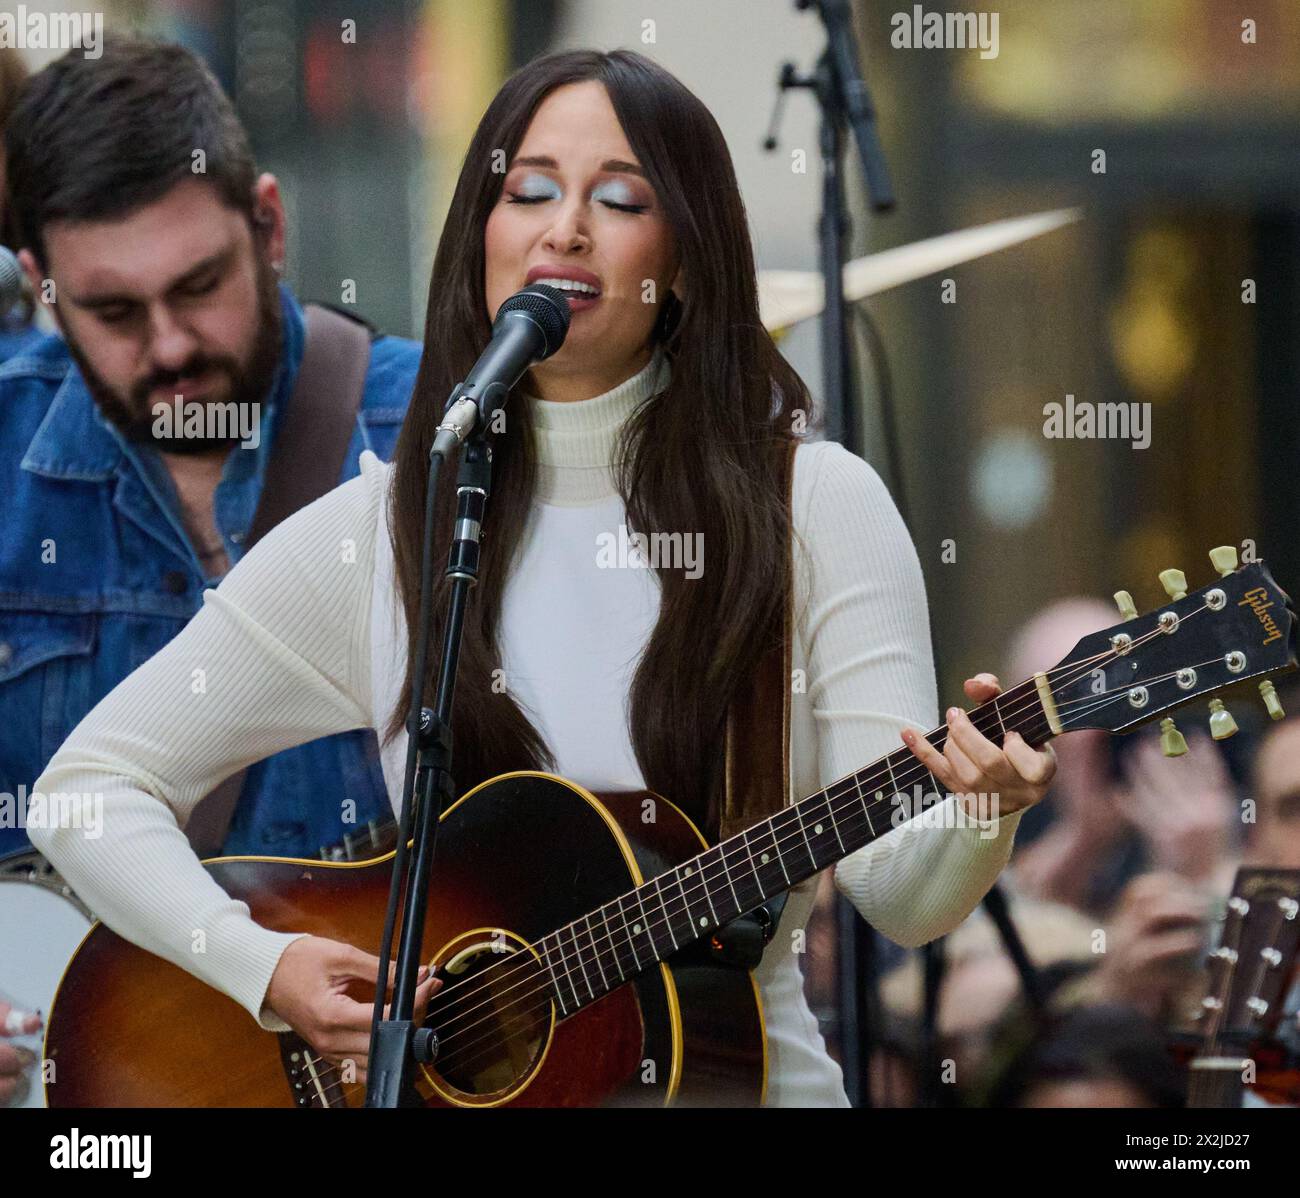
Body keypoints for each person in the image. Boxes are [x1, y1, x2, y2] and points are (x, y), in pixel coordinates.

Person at [29, 48, 1056, 1107]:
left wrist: (983, 812)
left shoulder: (817, 506)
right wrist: (262, 967)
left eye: (618, 198)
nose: (564, 226)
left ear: (687, 260)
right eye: (527, 192)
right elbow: (88, 792)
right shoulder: (383, 534)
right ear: (482, 237)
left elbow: (900, 895)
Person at [0, 39, 421, 867]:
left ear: (269, 225)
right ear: (39, 283)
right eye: (113, 310)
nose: (169, 348)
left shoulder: (434, 431)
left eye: (198, 287)